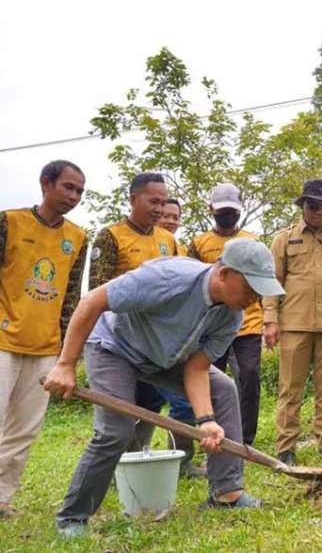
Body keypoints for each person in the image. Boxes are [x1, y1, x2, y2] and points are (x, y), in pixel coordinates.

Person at [44, 238, 284, 538]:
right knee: (115, 430)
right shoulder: (169, 279)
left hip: (165, 357)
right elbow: (92, 300)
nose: (253, 299)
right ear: (224, 274)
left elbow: (196, 369)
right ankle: (73, 518)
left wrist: (207, 421)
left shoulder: (231, 316)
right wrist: (66, 364)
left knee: (222, 388)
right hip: (115, 348)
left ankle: (227, 494)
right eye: (250, 289)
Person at [89, 173, 202, 477]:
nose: (159, 208)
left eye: (163, 202)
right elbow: (97, 292)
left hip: (161, 341)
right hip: (120, 341)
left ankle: (175, 459)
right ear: (133, 199)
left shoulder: (168, 240)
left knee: (156, 403)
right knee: (122, 408)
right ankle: (120, 464)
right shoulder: (110, 236)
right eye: (154, 201)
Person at [0, 161, 87, 520]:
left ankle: (2, 499)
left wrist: (68, 353)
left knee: (24, 430)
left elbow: (70, 299)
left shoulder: (78, 237)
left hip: (46, 347)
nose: (74, 196)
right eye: (68, 187)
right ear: (45, 184)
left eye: (80, 191)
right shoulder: (9, 222)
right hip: (3, 341)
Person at [263, 180, 322, 465]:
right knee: (290, 389)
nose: (319, 211)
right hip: (295, 324)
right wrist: (270, 320)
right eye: (313, 205)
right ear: (303, 206)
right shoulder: (284, 239)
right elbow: (272, 282)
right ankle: (286, 447)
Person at [189, 183, 265, 446]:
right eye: (222, 211)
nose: (228, 216)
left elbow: (263, 282)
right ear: (211, 210)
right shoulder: (200, 244)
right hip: (211, 326)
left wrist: (271, 318)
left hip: (249, 324)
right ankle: (213, 434)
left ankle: (245, 439)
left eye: (233, 211)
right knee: (212, 380)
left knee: (249, 377)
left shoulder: (253, 241)